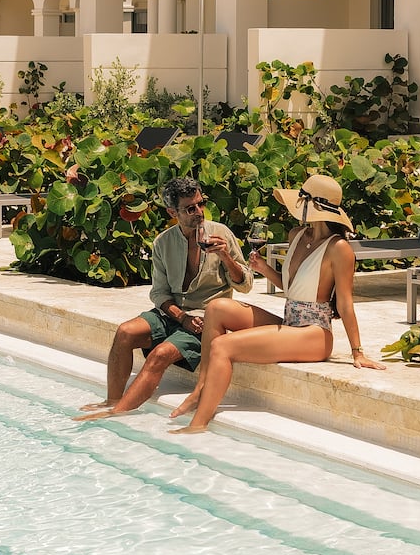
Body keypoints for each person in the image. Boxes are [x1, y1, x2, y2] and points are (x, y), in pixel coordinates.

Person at [171, 172, 383, 433]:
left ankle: (198, 423)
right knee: (216, 308)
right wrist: (262, 268)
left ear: (311, 207)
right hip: (290, 321)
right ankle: (200, 390)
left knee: (223, 346)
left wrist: (357, 352)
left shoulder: (339, 248)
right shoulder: (297, 234)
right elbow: (292, 287)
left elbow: (346, 304)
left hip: (314, 333)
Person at [75, 175, 250, 420]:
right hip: (174, 313)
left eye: (201, 204)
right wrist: (181, 317)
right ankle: (112, 399)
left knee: (159, 355)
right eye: (190, 208)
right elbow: (159, 293)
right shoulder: (164, 242)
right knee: (125, 332)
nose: (199, 212)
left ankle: (117, 413)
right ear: (172, 211)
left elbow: (245, 285)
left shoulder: (221, 234)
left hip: (204, 319)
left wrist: (226, 257)